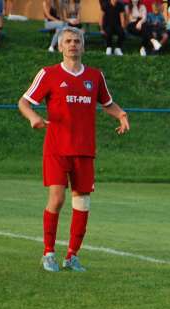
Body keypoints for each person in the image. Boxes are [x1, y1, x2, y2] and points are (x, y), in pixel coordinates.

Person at [18, 27, 130, 274]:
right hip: (57, 148)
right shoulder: (49, 74)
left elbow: (107, 103)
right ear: (60, 46)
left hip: (85, 149)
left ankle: (72, 256)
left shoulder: (94, 76)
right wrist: (33, 118)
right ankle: (48, 253)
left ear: (83, 46)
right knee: (57, 200)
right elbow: (24, 102)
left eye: (77, 41)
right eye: (67, 41)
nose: (72, 45)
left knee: (82, 203)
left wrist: (120, 114)